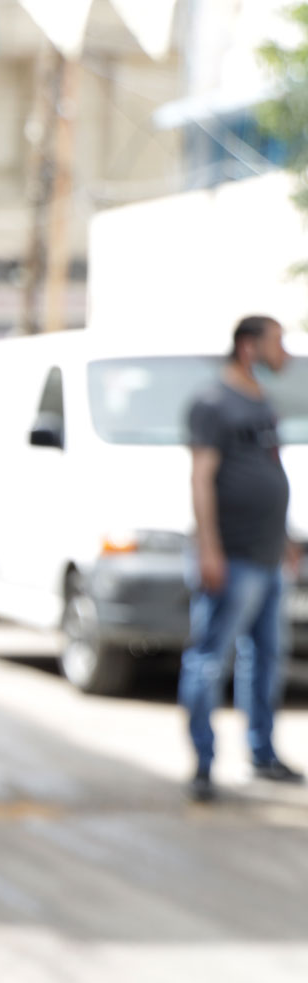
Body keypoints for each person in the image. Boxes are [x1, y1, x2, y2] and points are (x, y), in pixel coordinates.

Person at [181, 314, 302, 803]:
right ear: (249, 347)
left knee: (266, 660)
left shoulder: (262, 402)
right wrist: (209, 548)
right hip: (231, 557)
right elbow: (201, 477)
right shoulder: (213, 403)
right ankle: (204, 764)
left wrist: (287, 537)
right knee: (210, 661)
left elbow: (270, 471)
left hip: (269, 554)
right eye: (278, 343)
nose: (285, 354)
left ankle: (263, 754)